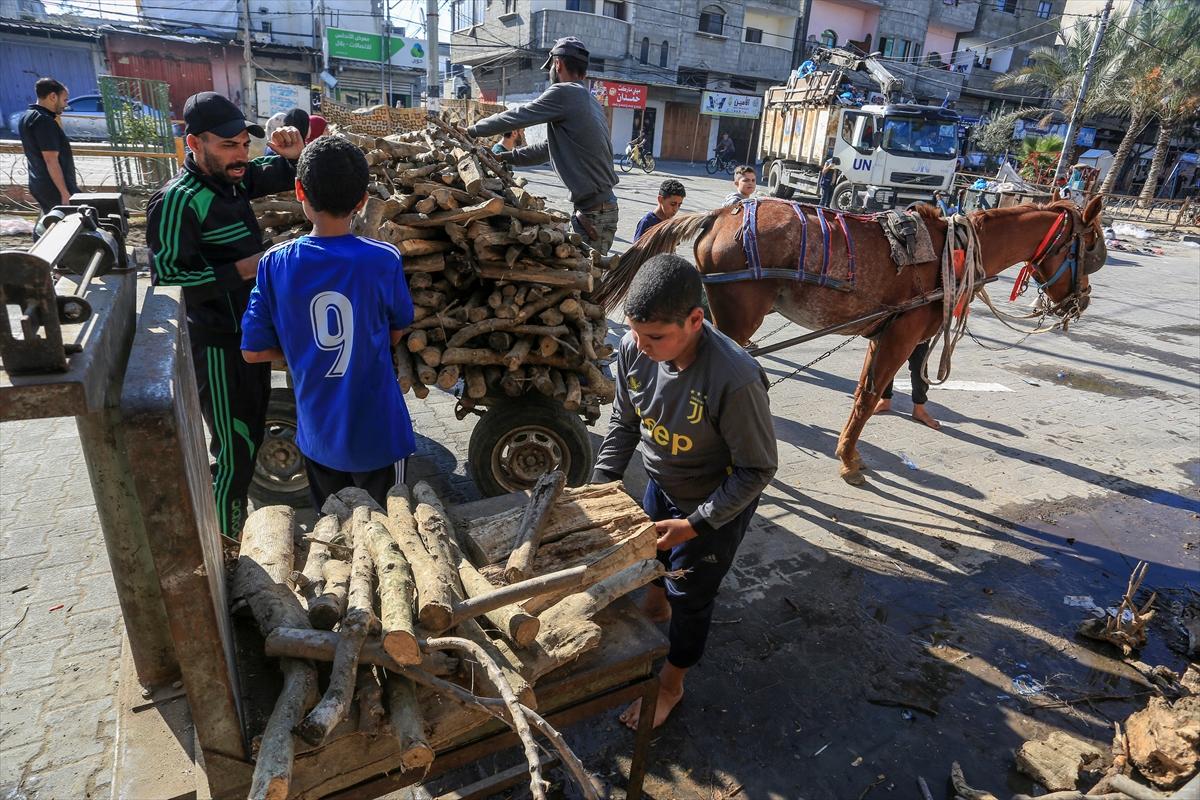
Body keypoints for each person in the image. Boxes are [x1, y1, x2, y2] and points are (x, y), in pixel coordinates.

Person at [592, 254, 777, 730]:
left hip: (714, 507)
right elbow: (625, 422)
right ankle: (656, 606)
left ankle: (671, 686)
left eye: (656, 337)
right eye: (635, 332)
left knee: (692, 599)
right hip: (661, 483)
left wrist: (694, 525)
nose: (641, 345)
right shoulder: (635, 350)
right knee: (653, 559)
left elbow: (757, 470)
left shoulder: (734, 378)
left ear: (696, 320)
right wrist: (598, 487)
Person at [146, 91, 304, 538]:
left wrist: (290, 156)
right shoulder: (178, 201)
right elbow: (170, 278)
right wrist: (247, 267)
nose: (241, 156)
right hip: (216, 345)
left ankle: (229, 539)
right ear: (193, 144)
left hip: (247, 338)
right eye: (228, 146)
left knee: (248, 443)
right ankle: (224, 548)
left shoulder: (232, 179)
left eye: (243, 144)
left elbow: (269, 172)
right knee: (234, 454)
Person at [241, 136, 415, 509]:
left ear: (299, 190)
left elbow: (253, 352)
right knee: (395, 529)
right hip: (381, 436)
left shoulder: (274, 262)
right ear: (363, 201)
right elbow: (397, 329)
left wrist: (299, 352)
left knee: (334, 532)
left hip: (319, 438)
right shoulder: (384, 258)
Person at [466, 37, 620, 254]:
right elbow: (546, 149)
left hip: (595, 214)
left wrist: (470, 131)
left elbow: (518, 116)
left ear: (557, 64)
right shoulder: (589, 100)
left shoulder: (565, 92)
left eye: (551, 68)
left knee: (585, 284)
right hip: (600, 210)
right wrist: (504, 157)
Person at [17, 77, 79, 213]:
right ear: (52, 96)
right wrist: (64, 192)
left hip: (40, 183)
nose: (66, 105)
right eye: (64, 100)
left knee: (53, 222)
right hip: (54, 188)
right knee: (68, 226)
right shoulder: (44, 121)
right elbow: (51, 160)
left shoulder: (26, 116)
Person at [874, 341, 940, 430]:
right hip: (892, 330)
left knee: (919, 368)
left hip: (919, 333)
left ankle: (919, 409)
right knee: (887, 364)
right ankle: (885, 400)